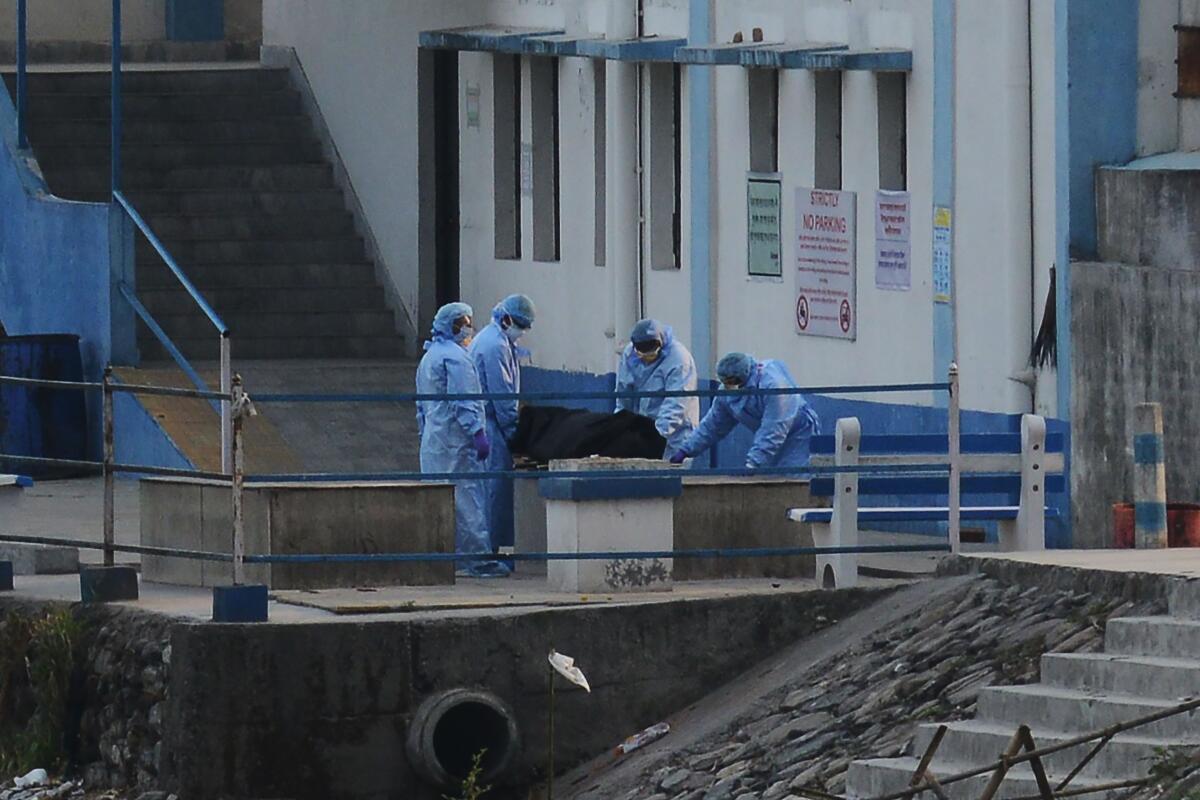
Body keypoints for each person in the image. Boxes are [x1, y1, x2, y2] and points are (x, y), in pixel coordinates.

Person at [416, 302, 509, 578]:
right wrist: (477, 433)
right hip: (457, 442)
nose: (468, 327)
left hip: (434, 442)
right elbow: (464, 400)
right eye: (463, 322)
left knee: (439, 501)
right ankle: (477, 560)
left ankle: (446, 559)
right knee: (467, 501)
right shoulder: (456, 358)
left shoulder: (430, 356)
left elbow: (422, 405)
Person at [670, 352, 820, 470]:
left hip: (799, 434)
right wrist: (686, 450)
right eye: (726, 382)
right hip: (772, 439)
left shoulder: (773, 386)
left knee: (796, 479)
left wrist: (753, 463)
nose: (729, 385)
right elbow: (712, 426)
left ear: (745, 375)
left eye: (733, 381)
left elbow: (774, 429)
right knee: (775, 478)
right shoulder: (727, 394)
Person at [469, 293, 536, 555]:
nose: (521, 332)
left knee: (488, 492)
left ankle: (490, 548)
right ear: (507, 319)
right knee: (494, 493)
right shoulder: (495, 346)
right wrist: (515, 435)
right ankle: (491, 550)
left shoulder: (491, 339)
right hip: (492, 425)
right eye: (519, 325)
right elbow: (503, 396)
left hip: (489, 423)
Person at [615, 319, 700, 458]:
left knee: (671, 474)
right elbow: (624, 393)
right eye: (642, 352)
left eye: (650, 352)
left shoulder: (679, 359)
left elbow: (677, 403)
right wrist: (620, 424)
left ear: (661, 343)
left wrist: (653, 435)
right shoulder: (629, 353)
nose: (646, 357)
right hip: (641, 431)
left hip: (675, 435)